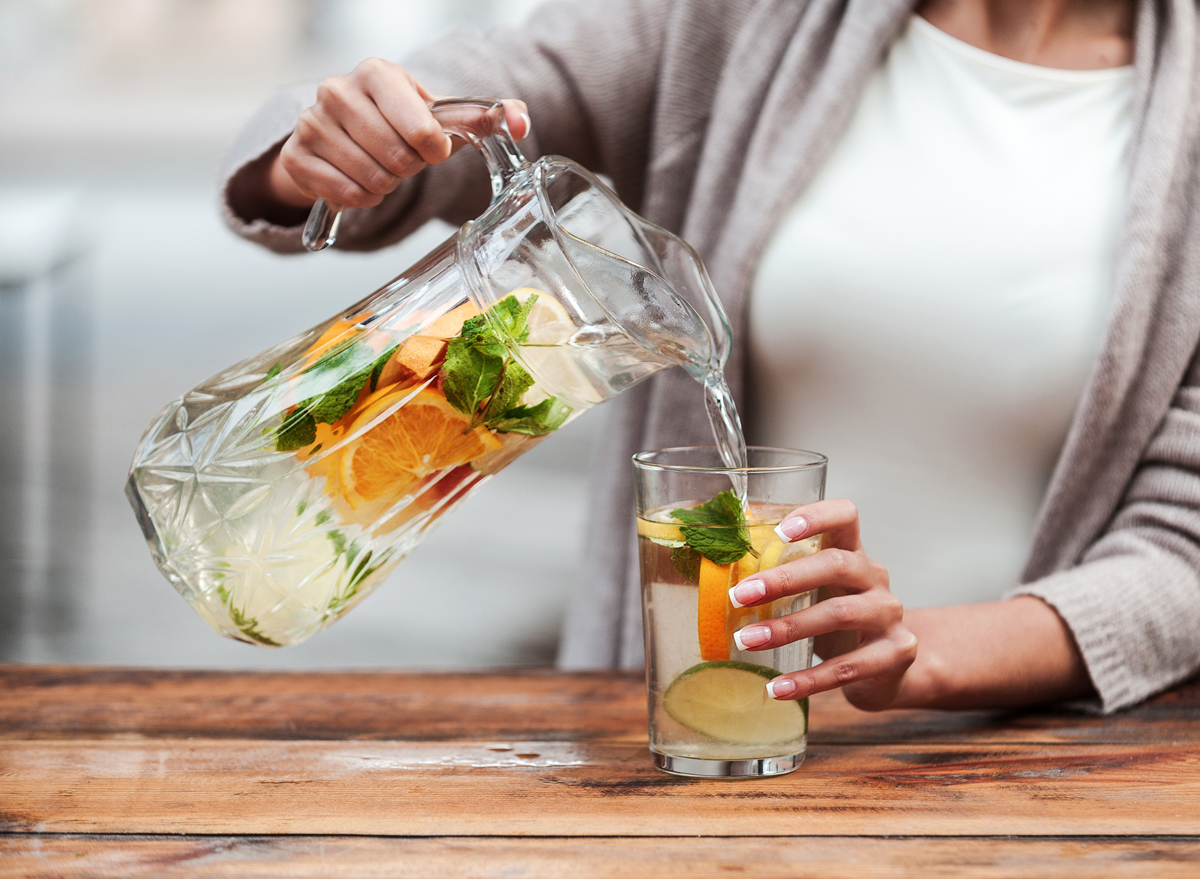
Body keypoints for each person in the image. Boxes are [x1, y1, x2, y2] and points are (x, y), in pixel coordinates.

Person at [221, 0, 1200, 714]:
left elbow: (1183, 550)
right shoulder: (746, 18)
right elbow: (513, 85)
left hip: (1037, 785)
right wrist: (350, 139)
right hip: (681, 757)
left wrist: (931, 652)